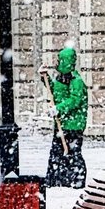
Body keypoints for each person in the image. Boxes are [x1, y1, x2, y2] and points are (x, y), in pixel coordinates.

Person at [40, 45, 89, 187]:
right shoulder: (61, 78)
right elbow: (54, 91)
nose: (57, 62)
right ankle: (56, 180)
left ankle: (75, 179)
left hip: (73, 125)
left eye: (60, 60)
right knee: (57, 152)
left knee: (73, 152)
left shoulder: (76, 81)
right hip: (62, 123)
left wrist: (59, 109)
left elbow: (75, 100)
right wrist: (45, 77)